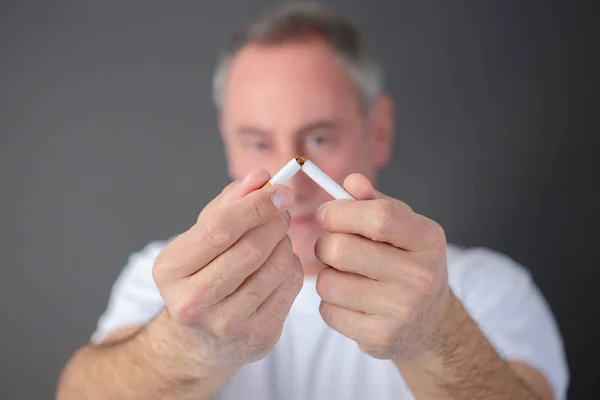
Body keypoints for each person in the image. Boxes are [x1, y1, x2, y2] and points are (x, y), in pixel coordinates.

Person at [56, 2, 569, 399]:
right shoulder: (169, 284)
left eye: (320, 139)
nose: (294, 183)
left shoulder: (486, 289)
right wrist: (185, 346)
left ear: (380, 131)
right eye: (258, 142)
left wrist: (434, 337)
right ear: (228, 146)